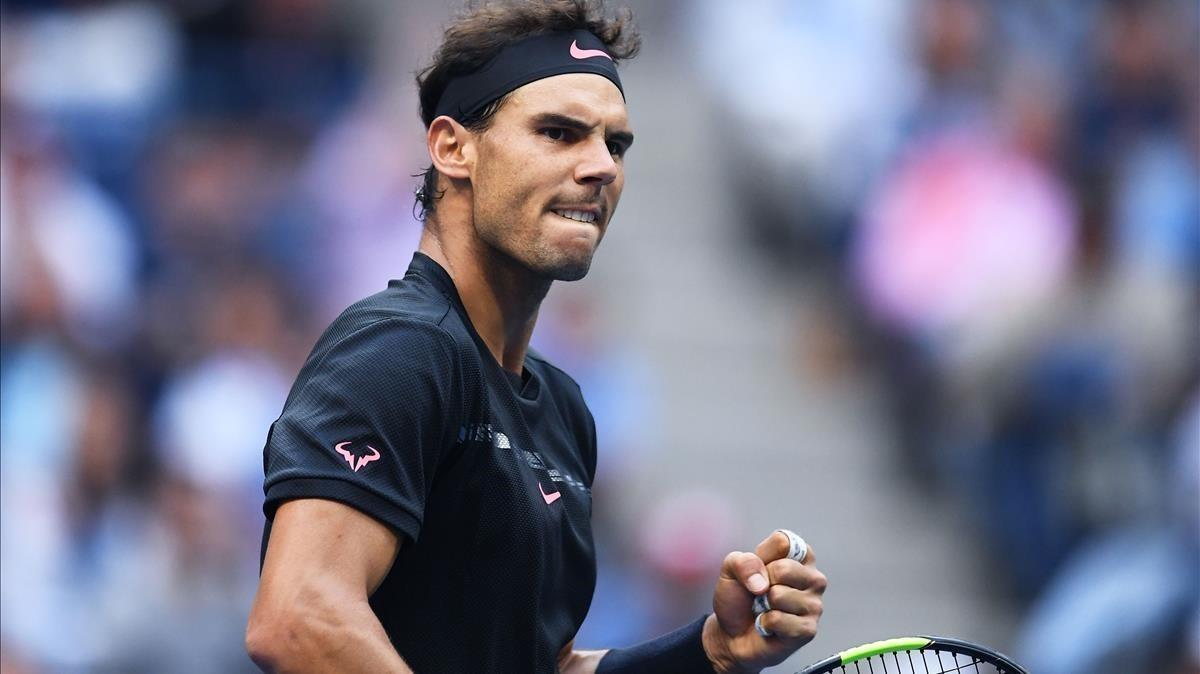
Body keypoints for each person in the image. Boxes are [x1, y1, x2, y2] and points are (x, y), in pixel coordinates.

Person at [244, 1, 827, 672]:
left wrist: (709, 652)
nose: (602, 166)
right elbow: (297, 617)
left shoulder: (564, 412)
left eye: (615, 144)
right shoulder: (398, 353)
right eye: (558, 132)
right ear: (452, 147)